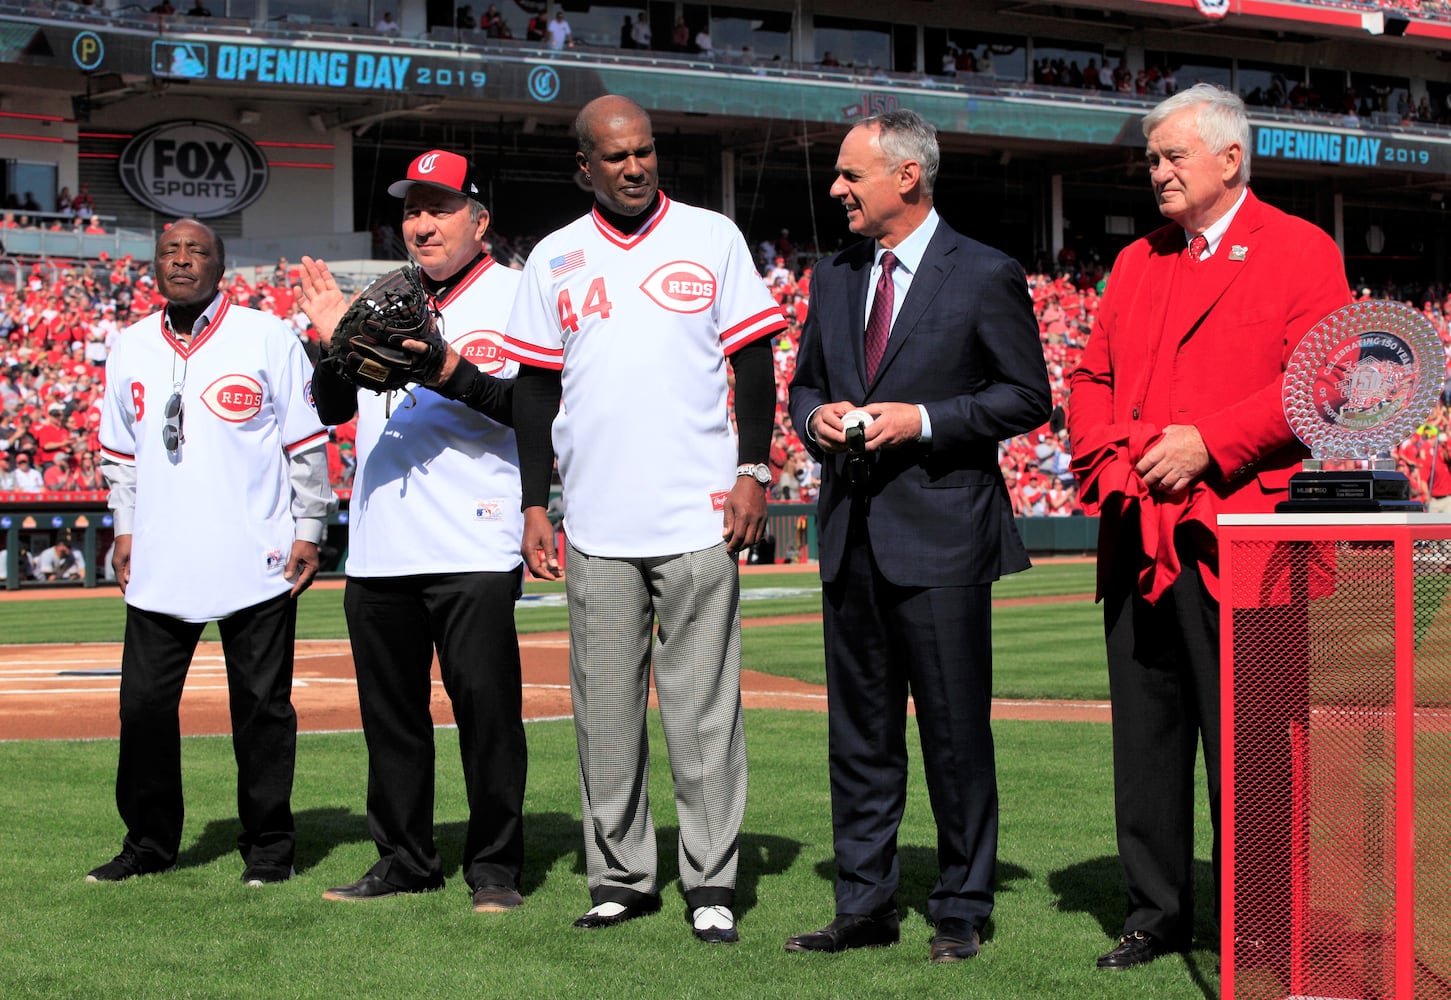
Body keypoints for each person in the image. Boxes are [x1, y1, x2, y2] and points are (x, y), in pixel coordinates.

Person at [1066, 83, 1351, 970]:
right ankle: (1154, 913)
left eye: (1170, 156)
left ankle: (1260, 920)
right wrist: (1116, 461)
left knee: (1255, 745)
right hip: (1138, 531)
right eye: (1150, 158)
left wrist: (1210, 445)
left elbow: (1328, 382)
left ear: (1229, 158)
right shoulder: (1137, 261)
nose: (1155, 172)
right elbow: (1087, 380)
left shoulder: (1301, 250)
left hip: (1244, 538)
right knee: (1144, 740)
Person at [507, 94, 785, 944]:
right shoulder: (552, 257)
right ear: (583, 167)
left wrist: (751, 469)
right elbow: (533, 392)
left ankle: (710, 880)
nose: (634, 166)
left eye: (645, 152)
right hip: (593, 521)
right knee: (604, 714)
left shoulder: (712, 236)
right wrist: (532, 502)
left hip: (700, 514)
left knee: (704, 712)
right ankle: (621, 877)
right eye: (615, 156)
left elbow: (753, 363)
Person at [784, 109, 1050, 964]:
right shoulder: (830, 277)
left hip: (940, 536)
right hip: (850, 532)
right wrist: (814, 417)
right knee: (858, 736)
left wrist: (923, 420)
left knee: (952, 732)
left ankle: (961, 906)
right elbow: (802, 389)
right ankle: (863, 906)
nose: (835, 189)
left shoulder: (983, 272)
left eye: (849, 174)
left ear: (906, 176)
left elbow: (1024, 397)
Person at [297, 148, 529, 915]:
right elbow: (330, 408)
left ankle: (494, 869)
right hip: (379, 544)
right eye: (411, 209)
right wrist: (336, 339)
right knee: (392, 721)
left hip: (475, 539)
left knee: (486, 717)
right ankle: (403, 860)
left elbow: (532, 412)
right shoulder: (383, 297)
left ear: (479, 218)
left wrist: (444, 368)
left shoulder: (517, 295)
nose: (422, 224)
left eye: (439, 207)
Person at [86, 218, 334, 887]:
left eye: (197, 251)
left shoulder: (267, 335)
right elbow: (119, 456)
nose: (182, 260)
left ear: (221, 267)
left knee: (261, 712)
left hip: (256, 558)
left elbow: (305, 442)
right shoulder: (129, 344)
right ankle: (148, 843)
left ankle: (269, 847)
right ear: (154, 267)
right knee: (140, 708)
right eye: (170, 251)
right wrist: (126, 528)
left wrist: (309, 526)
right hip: (161, 560)